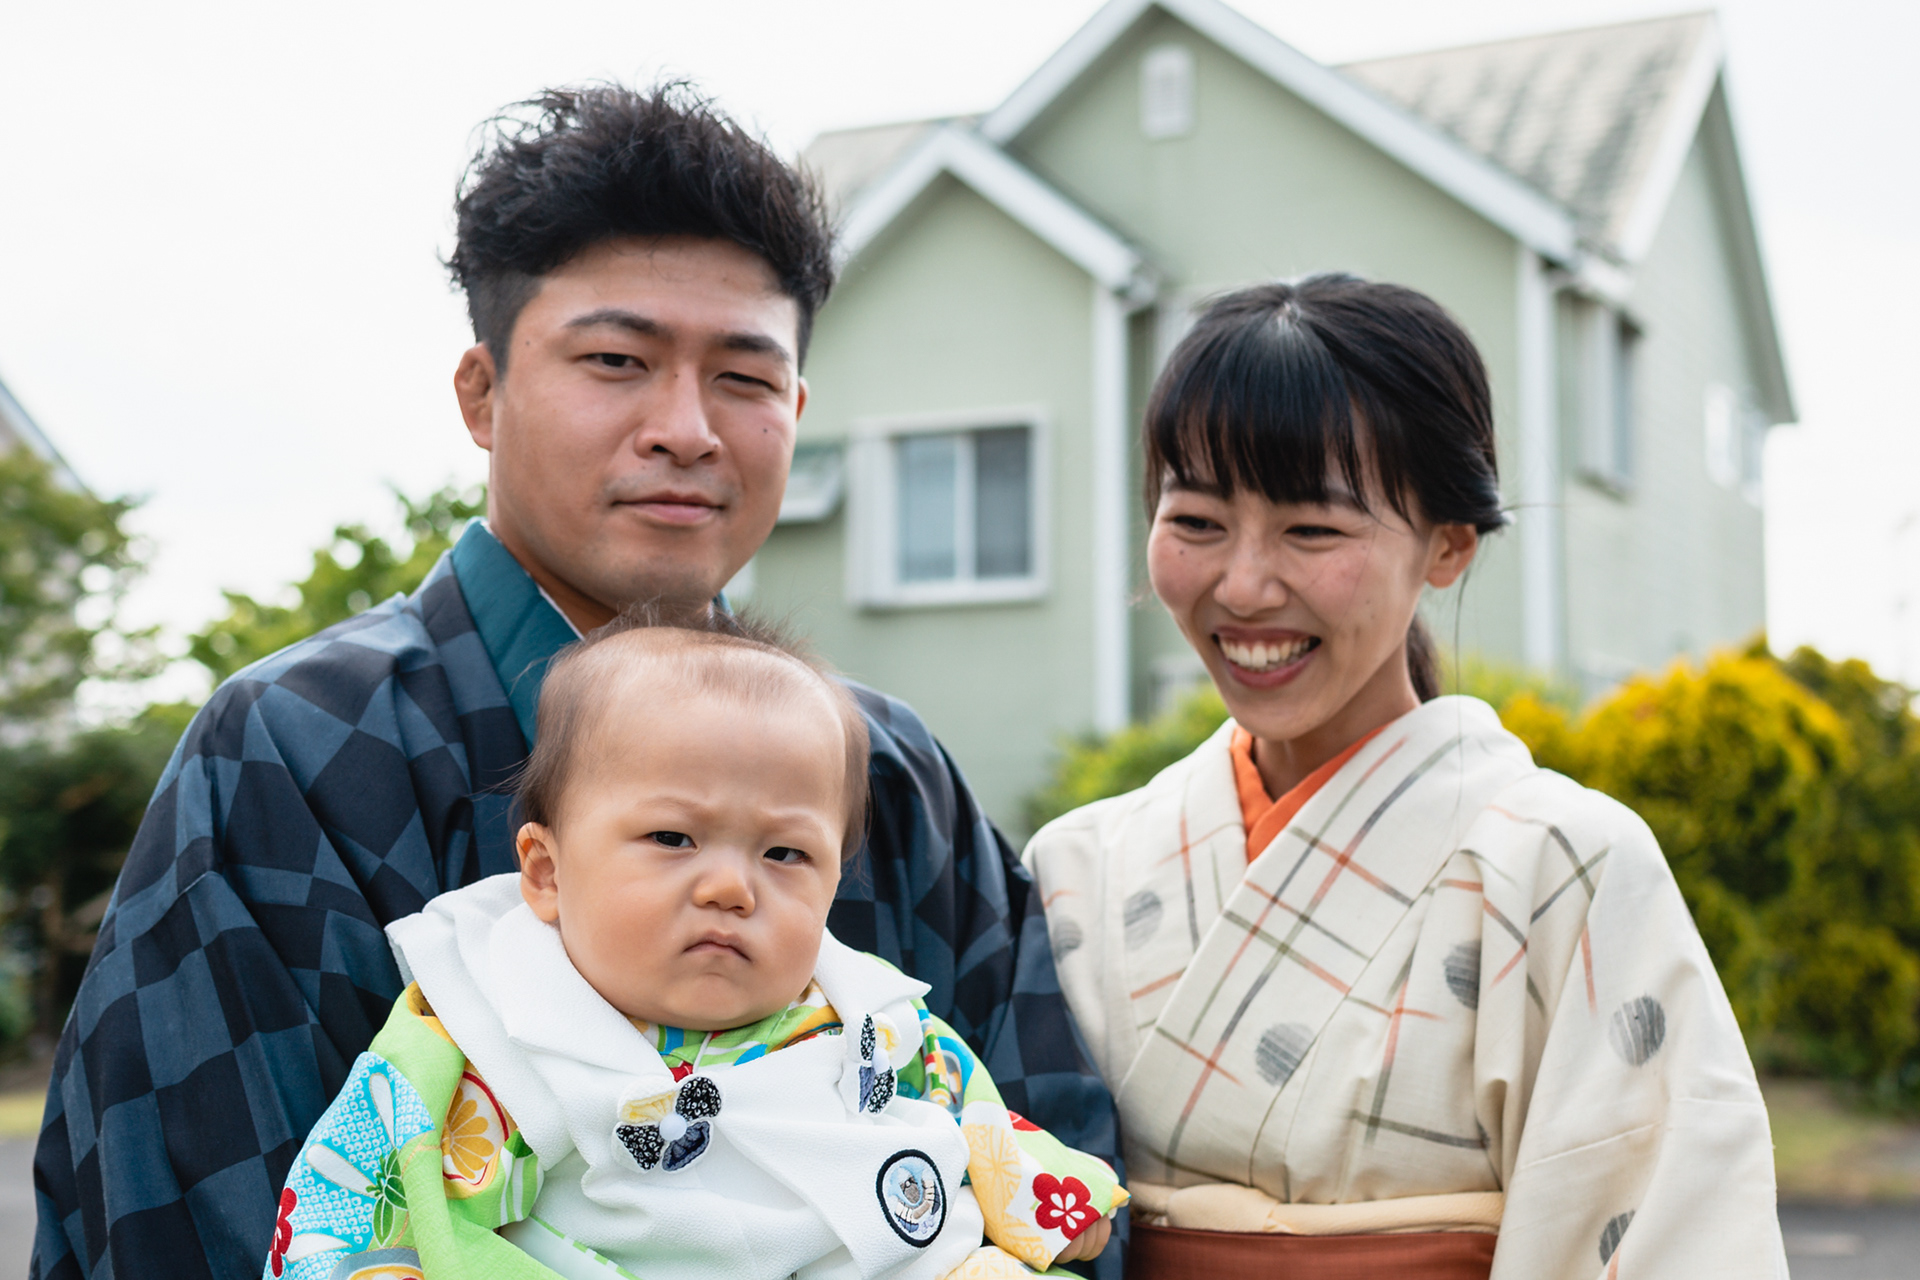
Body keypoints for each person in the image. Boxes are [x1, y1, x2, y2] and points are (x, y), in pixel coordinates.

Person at [34, 85, 1118, 1280]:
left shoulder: (891, 769)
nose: (687, 427)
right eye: (616, 360)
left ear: (798, 408)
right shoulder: (296, 747)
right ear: (481, 392)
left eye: (746, 378)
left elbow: (1051, 1158)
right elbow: (192, 1216)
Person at [1023, 276, 1788, 1278]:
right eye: (1198, 522)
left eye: (1312, 529)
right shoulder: (1075, 866)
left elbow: (1671, 1234)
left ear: (1449, 543)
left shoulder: (1565, 869)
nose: (1243, 585)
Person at [263, 609, 1124, 1280]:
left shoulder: (867, 1011)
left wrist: (1045, 1191)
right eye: (673, 839)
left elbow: (965, 1107)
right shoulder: (489, 1032)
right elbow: (365, 1194)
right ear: (547, 872)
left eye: (784, 854)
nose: (730, 887)